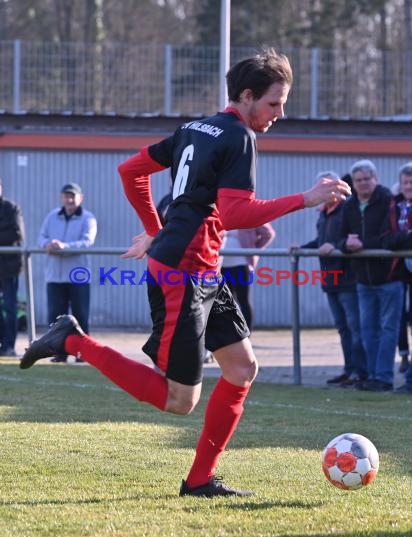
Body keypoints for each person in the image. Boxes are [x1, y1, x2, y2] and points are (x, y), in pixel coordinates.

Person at [20, 48, 351, 497]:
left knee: (242, 368)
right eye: (274, 104)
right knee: (180, 400)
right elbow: (236, 214)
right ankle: (71, 339)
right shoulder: (239, 138)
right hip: (182, 273)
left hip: (202, 268)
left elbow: (131, 170)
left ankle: (199, 481)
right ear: (248, 96)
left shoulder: (196, 127)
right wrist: (305, 198)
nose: (280, 114)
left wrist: (155, 230)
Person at [338, 159, 403, 392]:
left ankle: (384, 377)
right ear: (353, 183)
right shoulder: (349, 205)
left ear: (375, 179)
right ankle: (372, 375)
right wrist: (347, 243)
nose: (363, 183)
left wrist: (362, 244)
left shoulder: (388, 201)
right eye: (358, 180)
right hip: (363, 279)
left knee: (388, 330)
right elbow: (340, 237)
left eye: (367, 179)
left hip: (389, 277)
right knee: (367, 331)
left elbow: (391, 236)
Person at [299, 171, 367, 387]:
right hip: (330, 279)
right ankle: (349, 371)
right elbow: (322, 240)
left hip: (348, 278)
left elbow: (354, 238)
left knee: (355, 327)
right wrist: (301, 248)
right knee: (343, 328)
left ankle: (361, 372)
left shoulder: (348, 209)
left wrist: (335, 247)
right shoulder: (323, 212)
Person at [38, 182, 97, 362]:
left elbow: (87, 241)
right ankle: (59, 353)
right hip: (55, 276)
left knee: (80, 316)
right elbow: (42, 237)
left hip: (78, 276)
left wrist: (64, 247)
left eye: (73, 196)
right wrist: (47, 245)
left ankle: (83, 354)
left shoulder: (88, 218)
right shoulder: (52, 216)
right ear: (61, 198)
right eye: (66, 196)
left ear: (81, 198)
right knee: (56, 318)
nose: (69, 199)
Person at [381, 162, 412, 394]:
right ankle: (402, 364)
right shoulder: (395, 206)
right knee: (397, 322)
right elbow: (388, 240)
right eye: (405, 182)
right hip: (400, 271)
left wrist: (402, 238)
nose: (408, 186)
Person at [221, 224, 275, 330]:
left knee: (243, 300)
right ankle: (230, 333)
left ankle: (247, 332)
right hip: (221, 265)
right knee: (225, 301)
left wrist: (255, 250)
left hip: (241, 265)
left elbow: (268, 233)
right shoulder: (224, 213)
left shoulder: (247, 214)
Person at [0, 178, 25, 357]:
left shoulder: (11, 208)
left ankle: (9, 345)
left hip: (9, 266)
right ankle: (2, 343)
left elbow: (16, 233)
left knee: (10, 307)